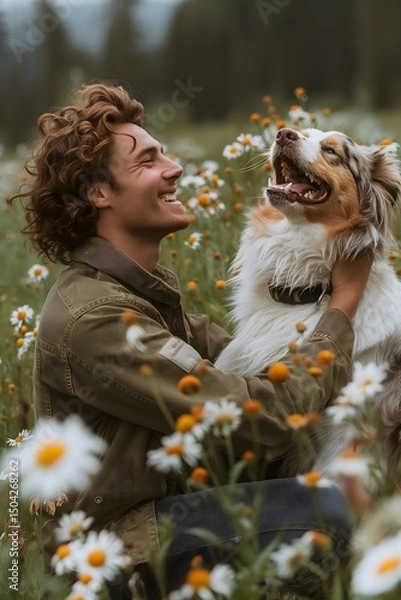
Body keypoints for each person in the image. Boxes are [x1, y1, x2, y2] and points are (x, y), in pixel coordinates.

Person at [15, 83, 371, 599]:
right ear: (99, 193)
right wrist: (344, 304)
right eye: (148, 161)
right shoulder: (96, 318)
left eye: (164, 152)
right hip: (105, 553)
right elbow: (260, 418)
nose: (175, 168)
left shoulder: (135, 291)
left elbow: (247, 365)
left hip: (157, 512)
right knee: (325, 510)